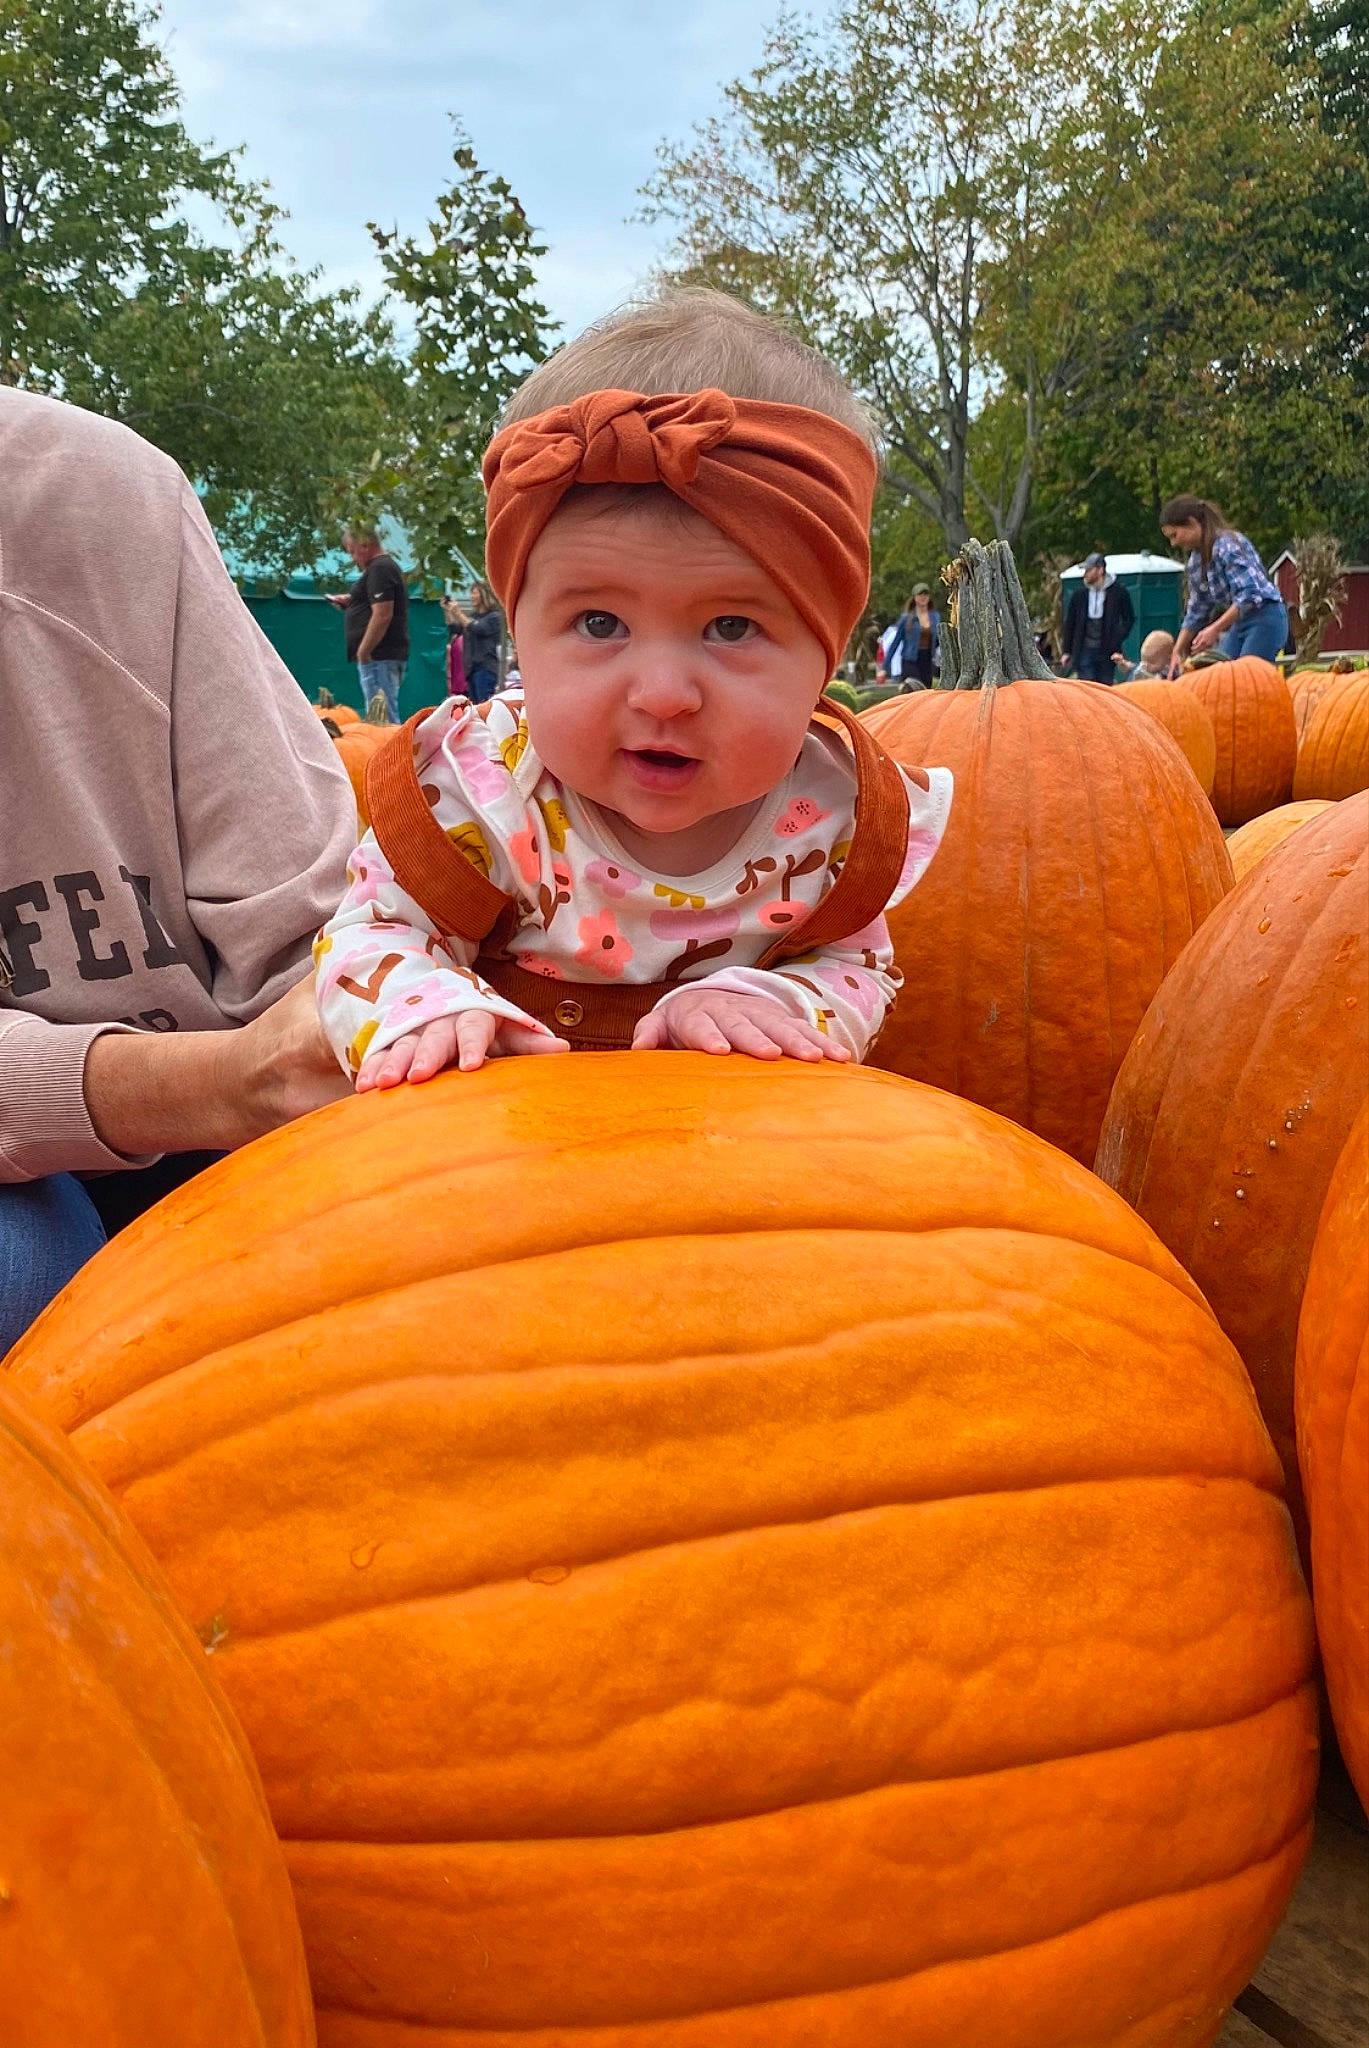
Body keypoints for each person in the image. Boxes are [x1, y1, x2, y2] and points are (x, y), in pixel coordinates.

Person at [314, 288, 953, 1088]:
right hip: (496, 1150)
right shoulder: (479, 792)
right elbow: (371, 933)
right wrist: (426, 1005)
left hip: (740, 1153)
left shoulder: (832, 816)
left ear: (827, 656)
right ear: (519, 632)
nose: (661, 695)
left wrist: (774, 1000)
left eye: (730, 627)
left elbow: (852, 965)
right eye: (598, 623)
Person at [0, 388, 355, 1348]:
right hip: (159, 1107)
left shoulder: (88, 493)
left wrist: (355, 1026)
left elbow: (315, 932)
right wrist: (222, 1080)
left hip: (227, 1121)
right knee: (19, 1275)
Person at [1160, 496, 1288, 671]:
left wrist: (1214, 629)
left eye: (1174, 535)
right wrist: (1178, 650)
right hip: (1240, 622)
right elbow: (1197, 609)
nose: (1173, 543)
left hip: (1265, 617)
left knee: (1247, 677)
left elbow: (1249, 594)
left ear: (1191, 523)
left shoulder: (1229, 545)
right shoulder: (1196, 562)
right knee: (1219, 672)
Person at [325, 526, 409, 722]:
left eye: (352, 551)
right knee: (380, 714)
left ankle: (391, 752)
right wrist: (352, 601)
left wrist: (364, 650)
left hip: (378, 656)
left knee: (381, 719)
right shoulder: (381, 569)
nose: (353, 558)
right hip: (380, 656)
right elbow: (376, 605)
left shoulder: (380, 569)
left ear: (365, 544)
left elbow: (382, 614)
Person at [1063, 552, 1134, 683]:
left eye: (1089, 570)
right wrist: (1067, 651)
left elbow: (1128, 618)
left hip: (1107, 650)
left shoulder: (1118, 592)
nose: (1085, 574)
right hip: (1084, 649)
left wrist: (1117, 637)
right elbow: (1070, 623)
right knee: (1087, 686)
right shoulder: (1080, 595)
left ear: (1100, 570)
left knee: (1105, 685)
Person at [444, 581, 504, 704]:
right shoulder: (473, 616)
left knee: (484, 705)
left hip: (485, 668)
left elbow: (478, 628)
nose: (471, 596)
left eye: (474, 592)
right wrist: (449, 612)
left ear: (483, 595)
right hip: (471, 670)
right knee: (475, 707)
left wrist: (459, 613)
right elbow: (457, 629)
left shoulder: (494, 617)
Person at [884, 584, 940, 689]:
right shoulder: (907, 618)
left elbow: (937, 640)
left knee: (926, 691)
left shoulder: (935, 617)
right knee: (914, 690)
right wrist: (885, 666)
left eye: (926, 594)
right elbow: (896, 642)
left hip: (927, 659)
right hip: (910, 660)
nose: (923, 597)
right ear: (914, 598)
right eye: (920, 594)